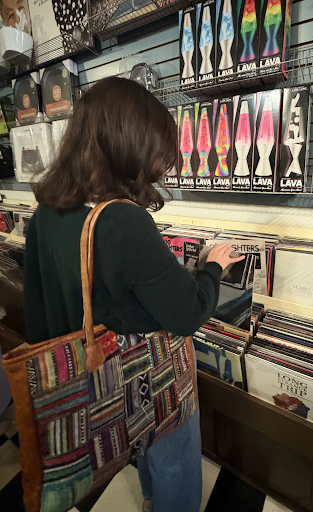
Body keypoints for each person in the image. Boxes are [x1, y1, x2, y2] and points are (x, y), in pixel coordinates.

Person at [24, 76, 244, 512]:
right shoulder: (124, 222)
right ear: (129, 145)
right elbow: (187, 312)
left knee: (138, 442)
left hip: (82, 384)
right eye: (157, 152)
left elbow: (38, 308)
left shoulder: (44, 215)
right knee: (174, 455)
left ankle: (147, 497)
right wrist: (213, 266)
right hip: (146, 377)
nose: (160, 166)